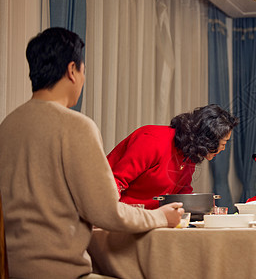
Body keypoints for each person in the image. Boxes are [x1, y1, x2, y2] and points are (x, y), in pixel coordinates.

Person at [0, 27, 184, 278]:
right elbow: (107, 212)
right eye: (84, 71)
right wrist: (161, 217)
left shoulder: (8, 125)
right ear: (72, 70)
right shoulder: (75, 126)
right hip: (62, 272)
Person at [107, 104, 238, 209]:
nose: (223, 148)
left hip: (151, 221)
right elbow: (114, 183)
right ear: (208, 138)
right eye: (223, 143)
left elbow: (182, 194)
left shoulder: (189, 152)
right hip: (123, 218)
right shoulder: (152, 140)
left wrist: (205, 209)